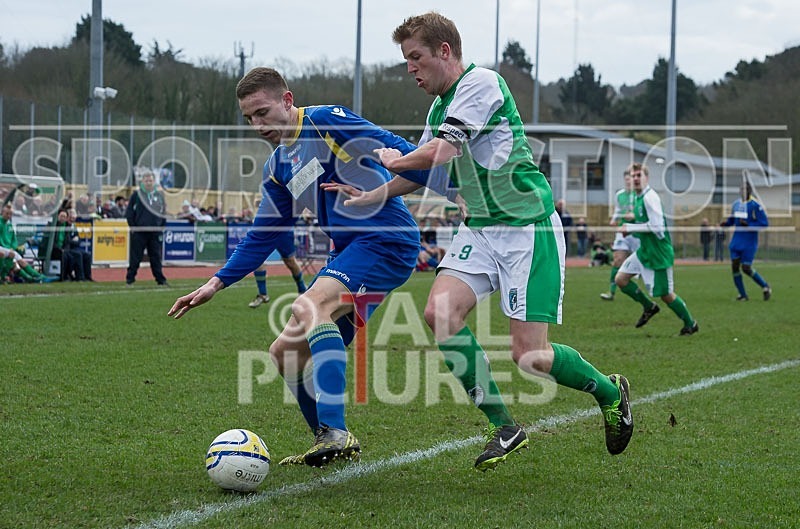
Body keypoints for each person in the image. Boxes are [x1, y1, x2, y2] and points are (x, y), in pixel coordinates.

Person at [325, 12, 633, 471]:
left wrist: (396, 158)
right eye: (406, 60)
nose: (410, 68)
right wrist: (374, 194)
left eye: (416, 57)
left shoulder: (482, 83)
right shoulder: (438, 108)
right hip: (481, 228)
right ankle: (503, 426)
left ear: (444, 52)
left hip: (527, 227)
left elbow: (440, 152)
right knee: (439, 313)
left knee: (529, 356)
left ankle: (610, 392)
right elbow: (428, 171)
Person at [168, 66, 444, 468]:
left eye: (262, 112)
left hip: (386, 239)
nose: (257, 125)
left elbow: (402, 151)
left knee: (309, 306)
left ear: (287, 100)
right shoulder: (278, 166)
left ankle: (335, 428)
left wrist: (391, 182)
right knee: (284, 352)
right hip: (351, 251)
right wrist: (215, 283)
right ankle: (330, 441)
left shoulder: (326, 121)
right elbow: (263, 234)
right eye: (249, 118)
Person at [613, 163, 699, 335]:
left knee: (666, 294)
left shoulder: (649, 197)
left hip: (659, 254)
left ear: (647, 178)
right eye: (633, 175)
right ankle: (649, 307)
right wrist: (632, 223)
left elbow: (657, 227)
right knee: (621, 279)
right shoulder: (638, 198)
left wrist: (630, 228)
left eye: (639, 175)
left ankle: (691, 324)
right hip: (645, 251)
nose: (636, 179)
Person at [720, 180, 771, 301]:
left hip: (749, 242)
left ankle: (765, 286)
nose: (742, 191)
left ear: (750, 190)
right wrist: (725, 224)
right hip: (736, 241)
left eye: (745, 189)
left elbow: (764, 223)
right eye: (741, 189)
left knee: (746, 268)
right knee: (735, 267)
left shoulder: (755, 205)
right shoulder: (736, 204)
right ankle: (743, 295)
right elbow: (732, 220)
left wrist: (749, 224)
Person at [600, 168, 640, 301]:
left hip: (637, 232)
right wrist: (613, 219)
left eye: (632, 178)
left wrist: (634, 216)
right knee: (617, 259)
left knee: (644, 263)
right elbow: (618, 209)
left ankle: (653, 290)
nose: (629, 181)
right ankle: (611, 292)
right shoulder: (620, 195)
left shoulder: (639, 195)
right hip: (623, 231)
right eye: (627, 179)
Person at [125, 170, 169, 286]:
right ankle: (130, 279)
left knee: (156, 257)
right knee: (135, 257)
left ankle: (161, 280)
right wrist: (133, 227)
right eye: (146, 180)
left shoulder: (159, 195)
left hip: (154, 231)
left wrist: (162, 226)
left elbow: (163, 211)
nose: (148, 183)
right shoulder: (137, 195)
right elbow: (129, 211)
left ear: (154, 181)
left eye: (150, 180)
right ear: (142, 182)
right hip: (140, 231)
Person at [248, 229, 307, 308]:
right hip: (265, 231)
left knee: (290, 262)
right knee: (257, 259)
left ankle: (302, 290)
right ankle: (263, 294)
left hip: (283, 231)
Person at [0, 203, 54, 283]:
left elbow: (14, 240)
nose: (8, 216)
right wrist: (8, 248)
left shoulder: (9, 225)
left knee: (19, 262)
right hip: (2, 247)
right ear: (2, 213)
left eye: (10, 214)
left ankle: (37, 277)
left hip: (7, 249)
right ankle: (3, 277)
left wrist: (13, 247)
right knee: (12, 256)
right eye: (7, 213)